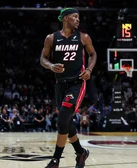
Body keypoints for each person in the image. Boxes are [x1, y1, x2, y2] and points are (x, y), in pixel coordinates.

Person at [40, 8, 97, 168]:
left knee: (63, 118)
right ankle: (81, 152)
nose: (78, 20)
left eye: (79, 17)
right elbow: (43, 58)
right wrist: (51, 66)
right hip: (60, 85)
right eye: (75, 17)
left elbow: (93, 54)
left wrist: (89, 70)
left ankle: (55, 159)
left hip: (77, 83)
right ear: (65, 18)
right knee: (66, 122)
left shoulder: (83, 37)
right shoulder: (51, 38)